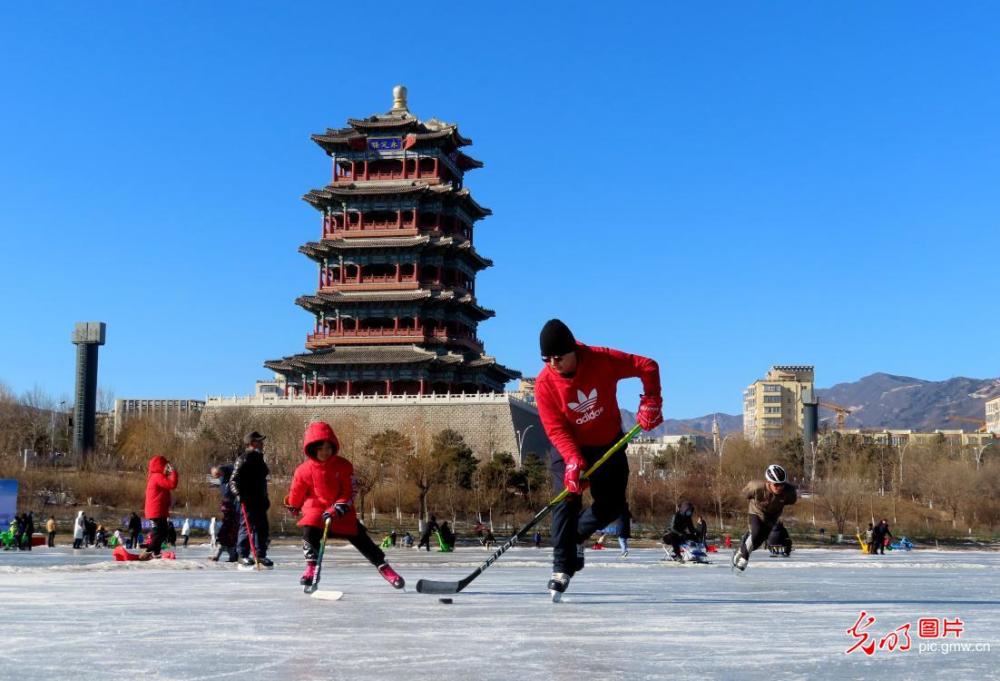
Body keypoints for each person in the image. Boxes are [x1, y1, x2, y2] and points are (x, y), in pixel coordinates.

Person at [534, 319, 661, 599]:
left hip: (608, 443)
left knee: (612, 506)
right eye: (547, 359)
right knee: (565, 502)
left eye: (558, 358)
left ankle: (577, 536)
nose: (553, 364)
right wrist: (572, 460)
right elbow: (555, 428)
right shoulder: (544, 384)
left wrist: (651, 400)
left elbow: (647, 365)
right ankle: (561, 567)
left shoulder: (601, 359)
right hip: (570, 447)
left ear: (573, 350)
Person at [283, 421, 404, 589]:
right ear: (312, 449)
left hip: (340, 511)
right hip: (316, 510)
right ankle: (311, 567)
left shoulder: (344, 465)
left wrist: (337, 507)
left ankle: (384, 567)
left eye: (328, 448)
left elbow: (349, 491)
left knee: (361, 538)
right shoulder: (303, 470)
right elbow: (296, 492)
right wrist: (293, 506)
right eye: (320, 448)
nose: (325, 452)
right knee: (309, 528)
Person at [732, 464, 798, 572]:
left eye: (782, 485)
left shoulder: (789, 492)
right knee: (756, 532)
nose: (780, 488)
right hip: (756, 512)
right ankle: (744, 559)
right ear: (768, 482)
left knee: (758, 542)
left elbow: (792, 500)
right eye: (776, 485)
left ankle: (741, 550)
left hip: (771, 517)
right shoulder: (756, 487)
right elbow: (744, 494)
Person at [231, 431, 272, 569]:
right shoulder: (243, 459)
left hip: (259, 499)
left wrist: (265, 497)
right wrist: (239, 495)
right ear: (252, 443)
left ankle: (260, 554)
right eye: (259, 441)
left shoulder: (259, 458)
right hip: (247, 500)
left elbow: (262, 480)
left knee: (262, 528)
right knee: (246, 527)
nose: (262, 443)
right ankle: (242, 555)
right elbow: (233, 481)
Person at [142, 455, 179, 559]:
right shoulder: (157, 476)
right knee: (161, 532)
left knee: (159, 532)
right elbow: (172, 484)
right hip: (156, 510)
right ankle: (149, 551)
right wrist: (173, 472)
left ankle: (156, 552)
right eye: (165, 465)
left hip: (157, 510)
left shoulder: (155, 476)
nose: (167, 467)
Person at [210, 465, 238, 562]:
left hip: (233, 503)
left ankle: (233, 555)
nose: (217, 477)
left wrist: (220, 470)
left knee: (230, 533)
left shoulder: (229, 472)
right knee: (226, 534)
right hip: (227, 503)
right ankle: (230, 555)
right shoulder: (223, 481)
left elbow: (230, 468)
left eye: (217, 475)